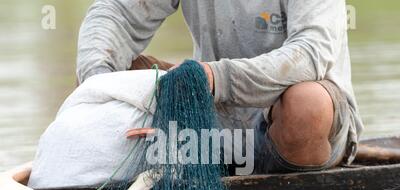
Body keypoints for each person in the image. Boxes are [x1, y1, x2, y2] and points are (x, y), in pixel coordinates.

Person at [77, 0, 363, 174]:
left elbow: (310, 55)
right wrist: (99, 82)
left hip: (292, 123)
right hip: (213, 121)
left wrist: (216, 78)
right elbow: (114, 13)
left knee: (307, 105)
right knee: (118, 69)